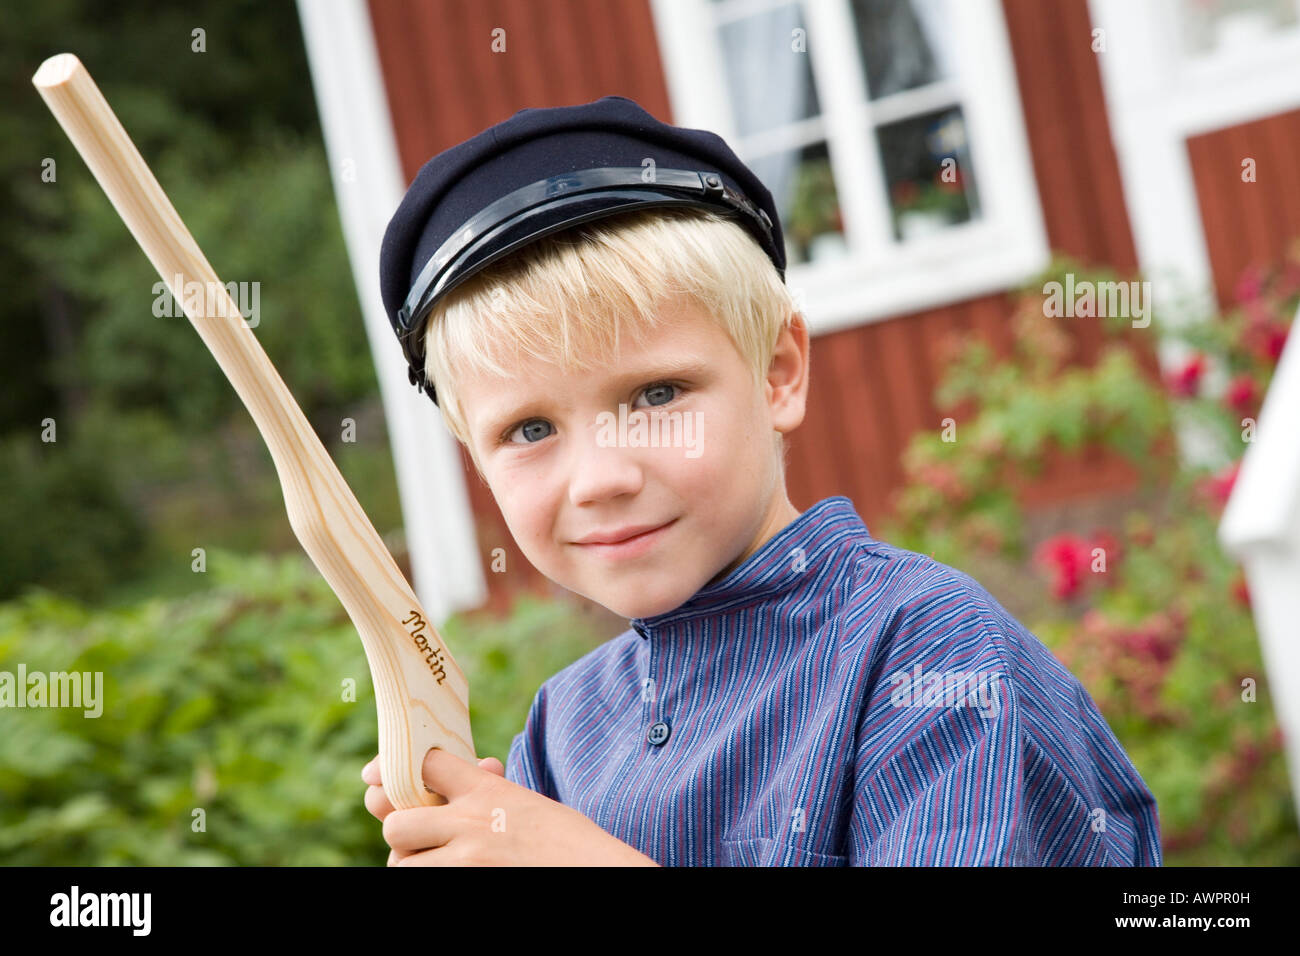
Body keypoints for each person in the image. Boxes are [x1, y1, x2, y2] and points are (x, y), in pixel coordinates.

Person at [360, 95, 1162, 866]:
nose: (600, 478)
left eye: (657, 395)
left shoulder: (927, 652)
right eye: (530, 430)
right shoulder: (562, 730)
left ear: (778, 373)